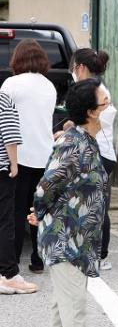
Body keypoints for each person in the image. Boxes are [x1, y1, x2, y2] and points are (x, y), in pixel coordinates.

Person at [29, 78, 111, 327]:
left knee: (63, 302)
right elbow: (46, 186)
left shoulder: (87, 140)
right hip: (64, 238)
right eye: (104, 102)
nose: (108, 105)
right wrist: (40, 212)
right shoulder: (72, 143)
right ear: (91, 111)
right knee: (74, 305)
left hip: (78, 238)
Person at [0, 39, 56, 273]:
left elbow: (5, 122)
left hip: (18, 156)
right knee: (38, 209)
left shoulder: (10, 84)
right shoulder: (50, 86)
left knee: (15, 210)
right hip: (45, 156)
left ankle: (11, 261)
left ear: (17, 59)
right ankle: (38, 259)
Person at [67, 48, 117, 271]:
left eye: (73, 67)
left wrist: (69, 126)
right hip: (97, 152)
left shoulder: (97, 91)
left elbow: (94, 119)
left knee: (97, 205)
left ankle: (100, 255)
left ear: (80, 68)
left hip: (101, 154)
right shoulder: (91, 88)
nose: (73, 71)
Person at [0, 92, 37, 295]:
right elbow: (10, 134)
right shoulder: (3, 100)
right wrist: (14, 164)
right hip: (1, 170)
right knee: (5, 221)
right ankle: (8, 275)